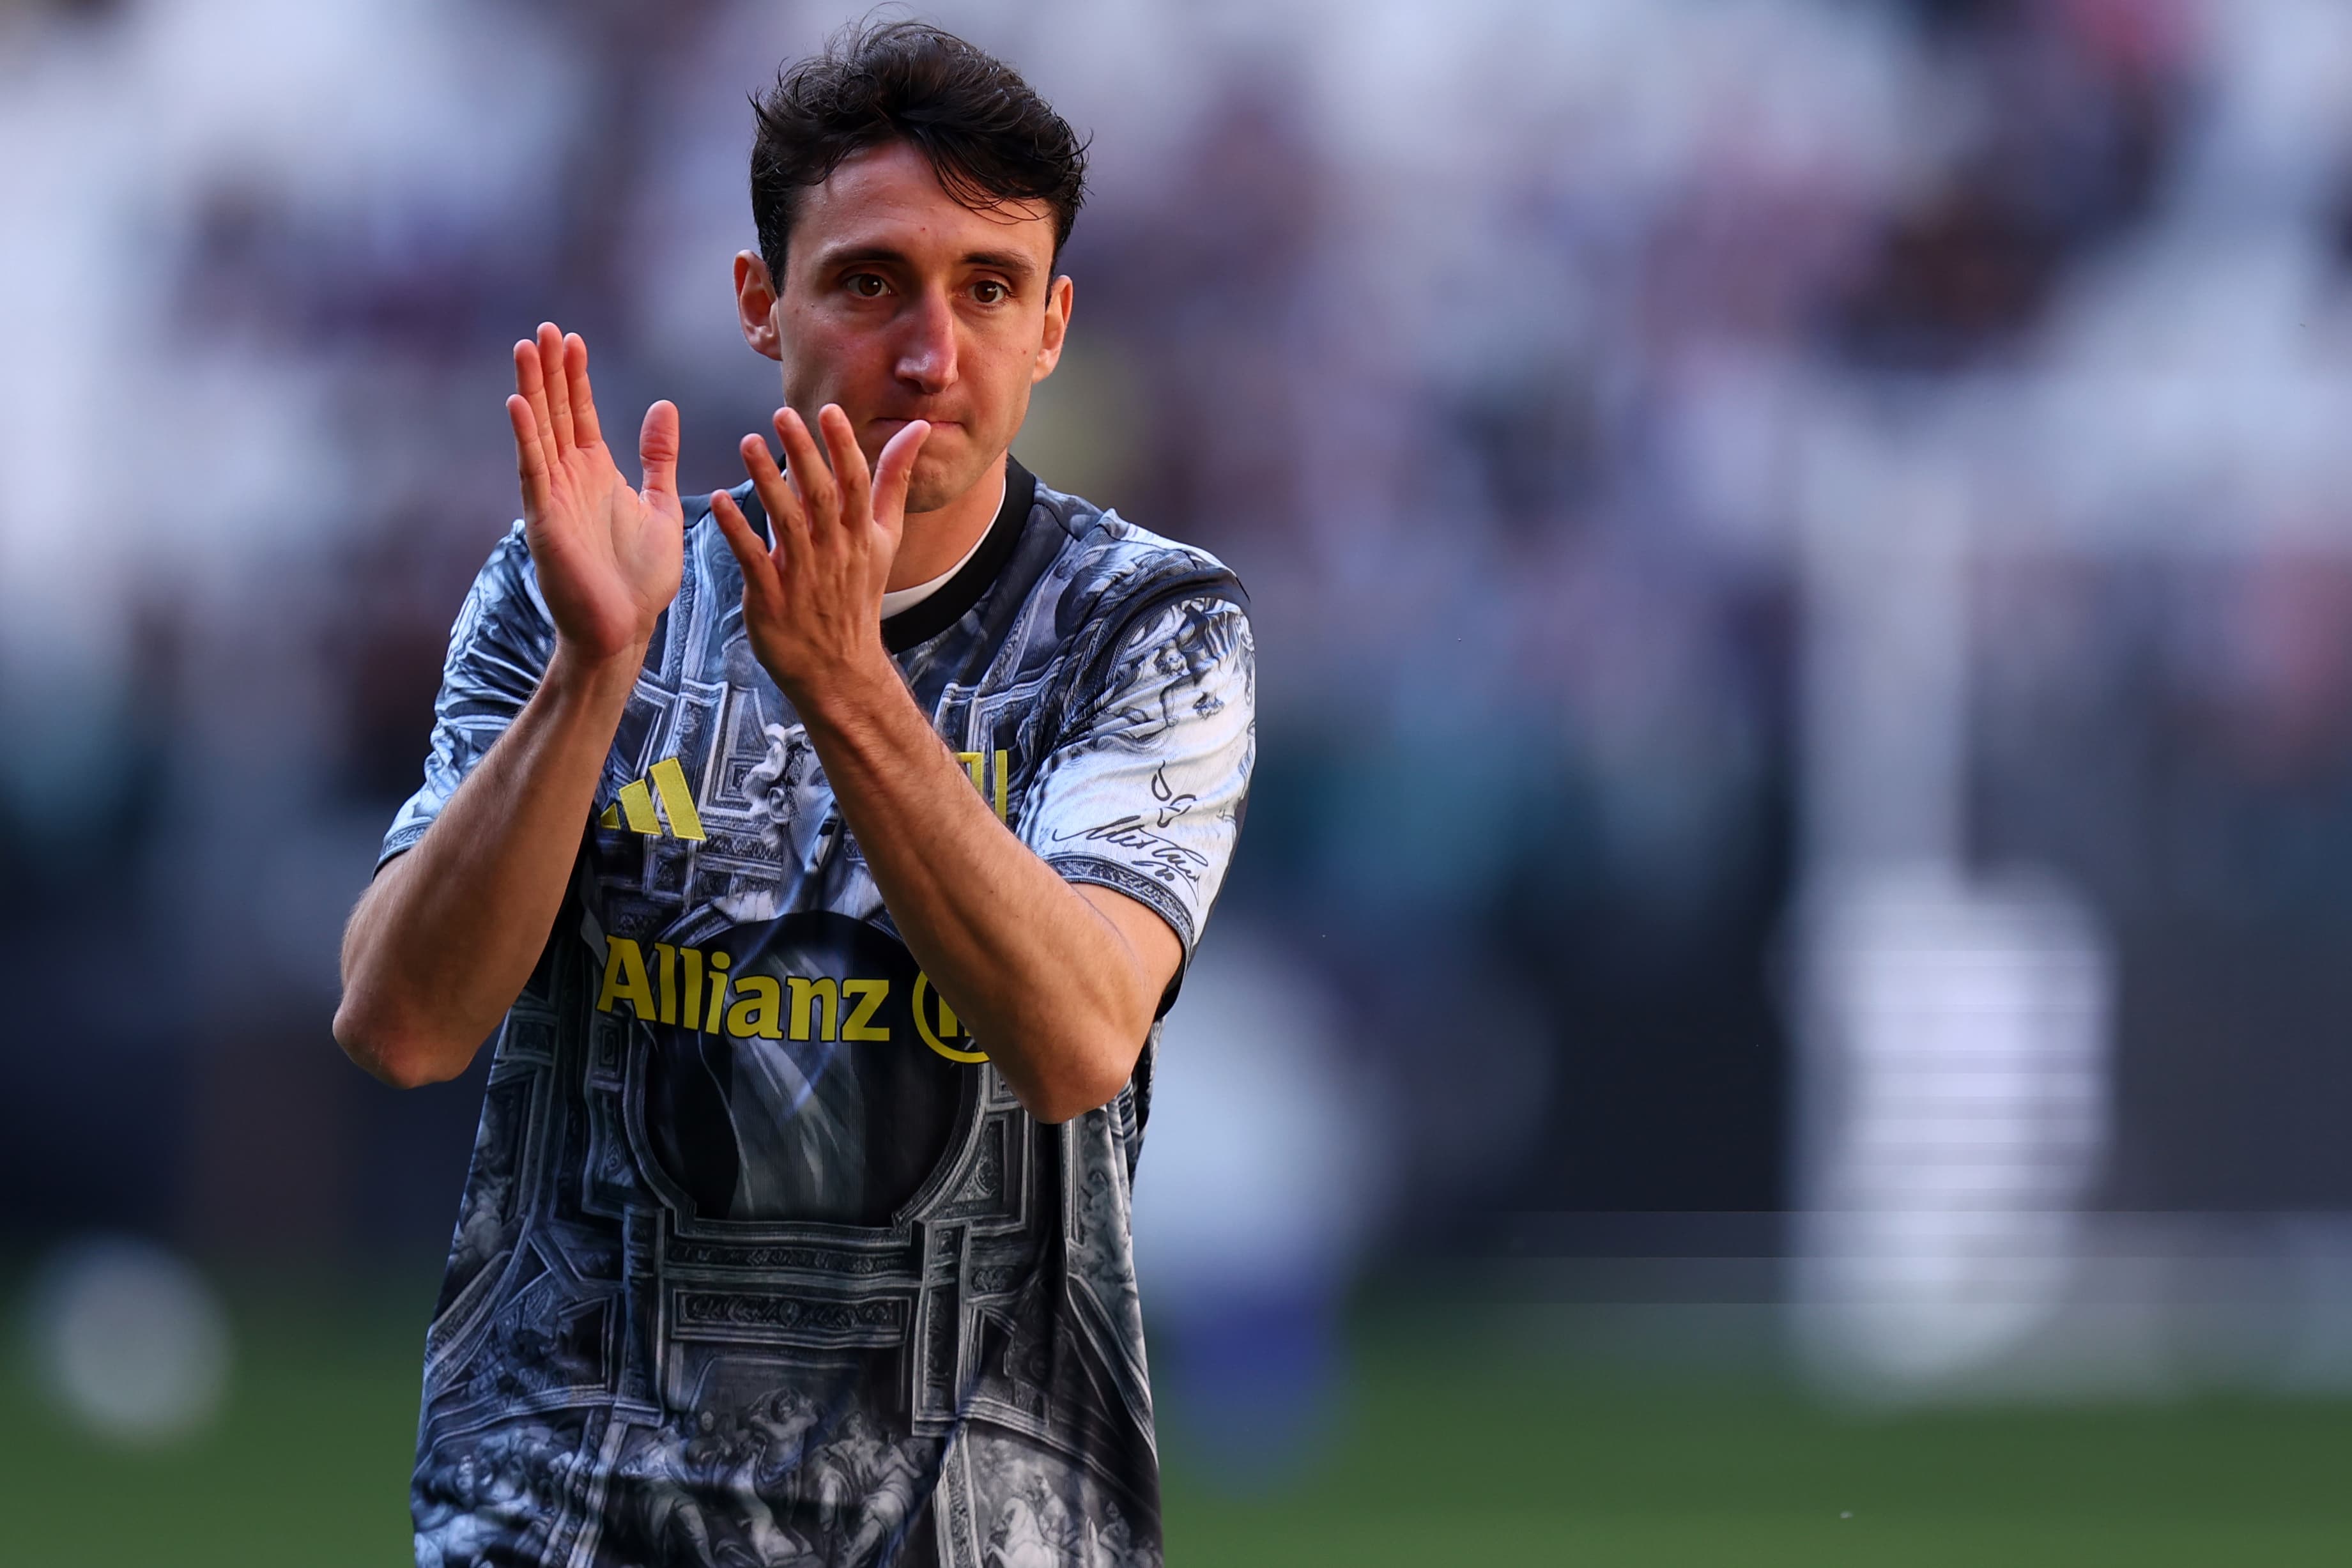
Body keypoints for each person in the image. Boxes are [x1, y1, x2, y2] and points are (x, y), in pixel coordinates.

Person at [332, 21, 1254, 1567]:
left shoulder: (1143, 626)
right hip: (566, 1524)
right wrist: (592, 673)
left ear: (1052, 326)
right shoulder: (580, 588)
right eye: (869, 282)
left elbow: (1075, 1041)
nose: (931, 353)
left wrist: (841, 681)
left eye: (988, 289)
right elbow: (403, 1022)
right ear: (762, 303)